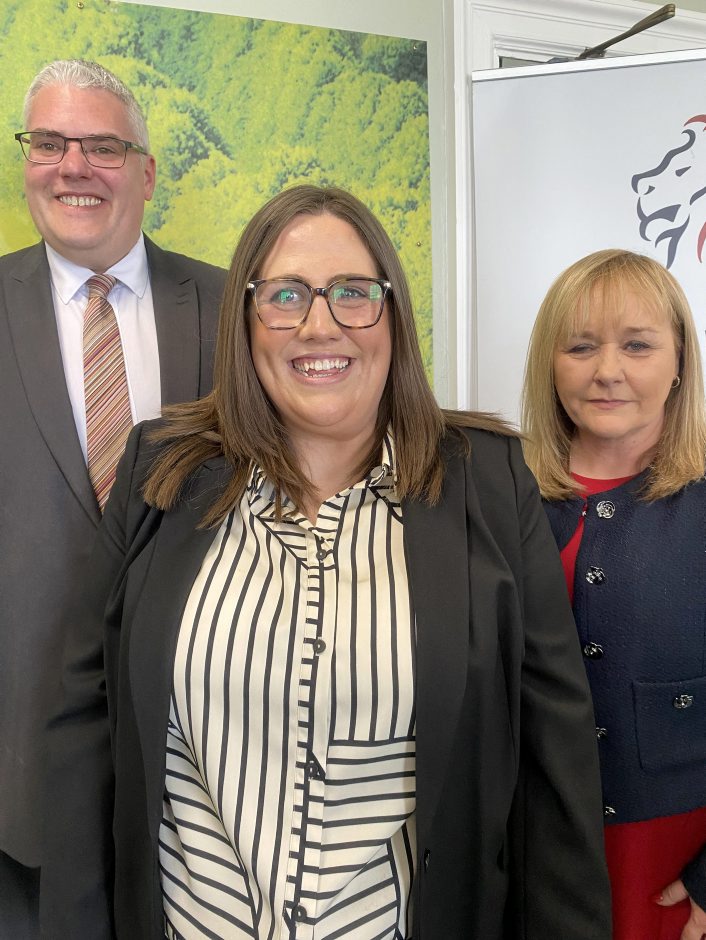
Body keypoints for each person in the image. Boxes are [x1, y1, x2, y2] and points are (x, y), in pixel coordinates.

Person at [43, 185, 611, 940]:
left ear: (392, 314)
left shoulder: (490, 484)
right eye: (285, 295)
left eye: (352, 293)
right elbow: (86, 739)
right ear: (246, 321)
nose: (320, 324)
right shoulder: (161, 471)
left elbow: (554, 764)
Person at [0, 59, 225, 937]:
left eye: (101, 146)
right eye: (49, 143)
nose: (73, 167)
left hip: (205, 777)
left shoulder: (232, 310)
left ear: (146, 171)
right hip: (19, 787)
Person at [521, 249, 706, 940]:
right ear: (550, 363)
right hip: (533, 849)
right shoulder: (499, 496)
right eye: (580, 347)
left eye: (637, 345)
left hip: (674, 860)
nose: (607, 370)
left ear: (679, 360)